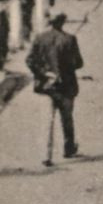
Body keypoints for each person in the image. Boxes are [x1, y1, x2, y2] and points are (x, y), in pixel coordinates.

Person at [26, 12, 84, 165]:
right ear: (63, 22)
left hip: (46, 86)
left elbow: (30, 60)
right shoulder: (70, 39)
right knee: (67, 119)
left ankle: (46, 155)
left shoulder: (40, 38)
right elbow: (78, 63)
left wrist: (44, 73)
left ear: (49, 22)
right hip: (66, 86)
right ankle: (68, 148)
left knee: (47, 120)